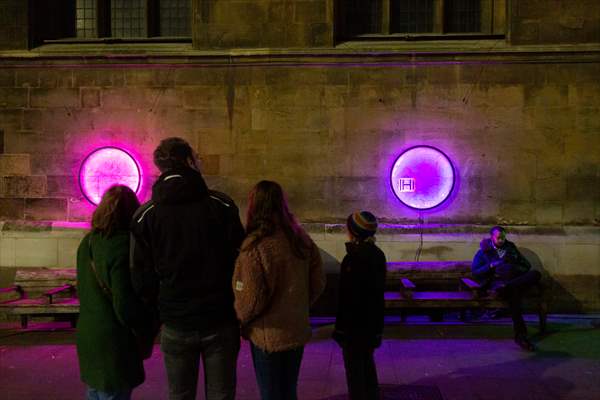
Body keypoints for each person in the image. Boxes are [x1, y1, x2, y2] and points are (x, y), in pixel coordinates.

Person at [130, 137, 245, 400]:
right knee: (222, 394)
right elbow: (241, 259)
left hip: (176, 319)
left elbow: (140, 274)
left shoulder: (146, 215)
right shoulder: (221, 205)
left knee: (180, 394)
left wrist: (159, 306)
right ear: (190, 161)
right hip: (219, 317)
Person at [232, 180, 325, 400]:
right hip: (296, 328)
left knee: (271, 393)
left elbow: (251, 300)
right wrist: (298, 305)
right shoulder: (301, 240)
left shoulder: (255, 247)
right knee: (289, 389)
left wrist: (240, 319)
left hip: (268, 336)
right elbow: (318, 281)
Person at [76, 185, 151, 400]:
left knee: (95, 392)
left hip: (88, 334)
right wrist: (146, 324)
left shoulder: (87, 242)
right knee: (114, 393)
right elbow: (124, 304)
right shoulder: (123, 246)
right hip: (114, 341)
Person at [332, 211, 387, 400]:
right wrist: (378, 329)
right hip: (371, 325)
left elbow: (347, 298)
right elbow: (377, 296)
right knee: (367, 369)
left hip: (354, 328)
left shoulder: (353, 259)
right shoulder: (378, 255)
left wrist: (340, 330)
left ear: (353, 231)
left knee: (355, 374)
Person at [472, 225, 542, 351]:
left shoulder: (511, 248)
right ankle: (521, 337)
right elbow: (476, 272)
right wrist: (491, 265)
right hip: (498, 283)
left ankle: (507, 287)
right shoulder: (483, 252)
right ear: (492, 237)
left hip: (513, 281)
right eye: (498, 238)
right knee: (514, 298)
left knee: (536, 274)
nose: (501, 240)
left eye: (503, 238)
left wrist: (514, 265)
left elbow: (526, 265)